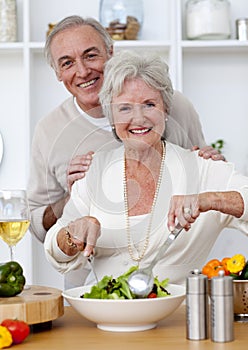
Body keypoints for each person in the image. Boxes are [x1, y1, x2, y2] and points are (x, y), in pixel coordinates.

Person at [44, 50, 248, 288]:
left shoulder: (201, 169)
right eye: (124, 108)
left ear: (166, 110)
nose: (138, 119)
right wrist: (71, 235)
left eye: (149, 104)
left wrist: (208, 199)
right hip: (106, 312)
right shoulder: (95, 171)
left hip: (181, 315)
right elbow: (55, 252)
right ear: (111, 117)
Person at [27, 15, 223, 244]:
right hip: (91, 275)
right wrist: (74, 196)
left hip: (171, 266)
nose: (82, 71)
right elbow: (38, 225)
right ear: (58, 73)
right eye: (67, 63)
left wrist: (212, 167)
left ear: (110, 53)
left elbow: (202, 183)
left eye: (90, 55)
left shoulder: (173, 106)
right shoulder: (49, 131)